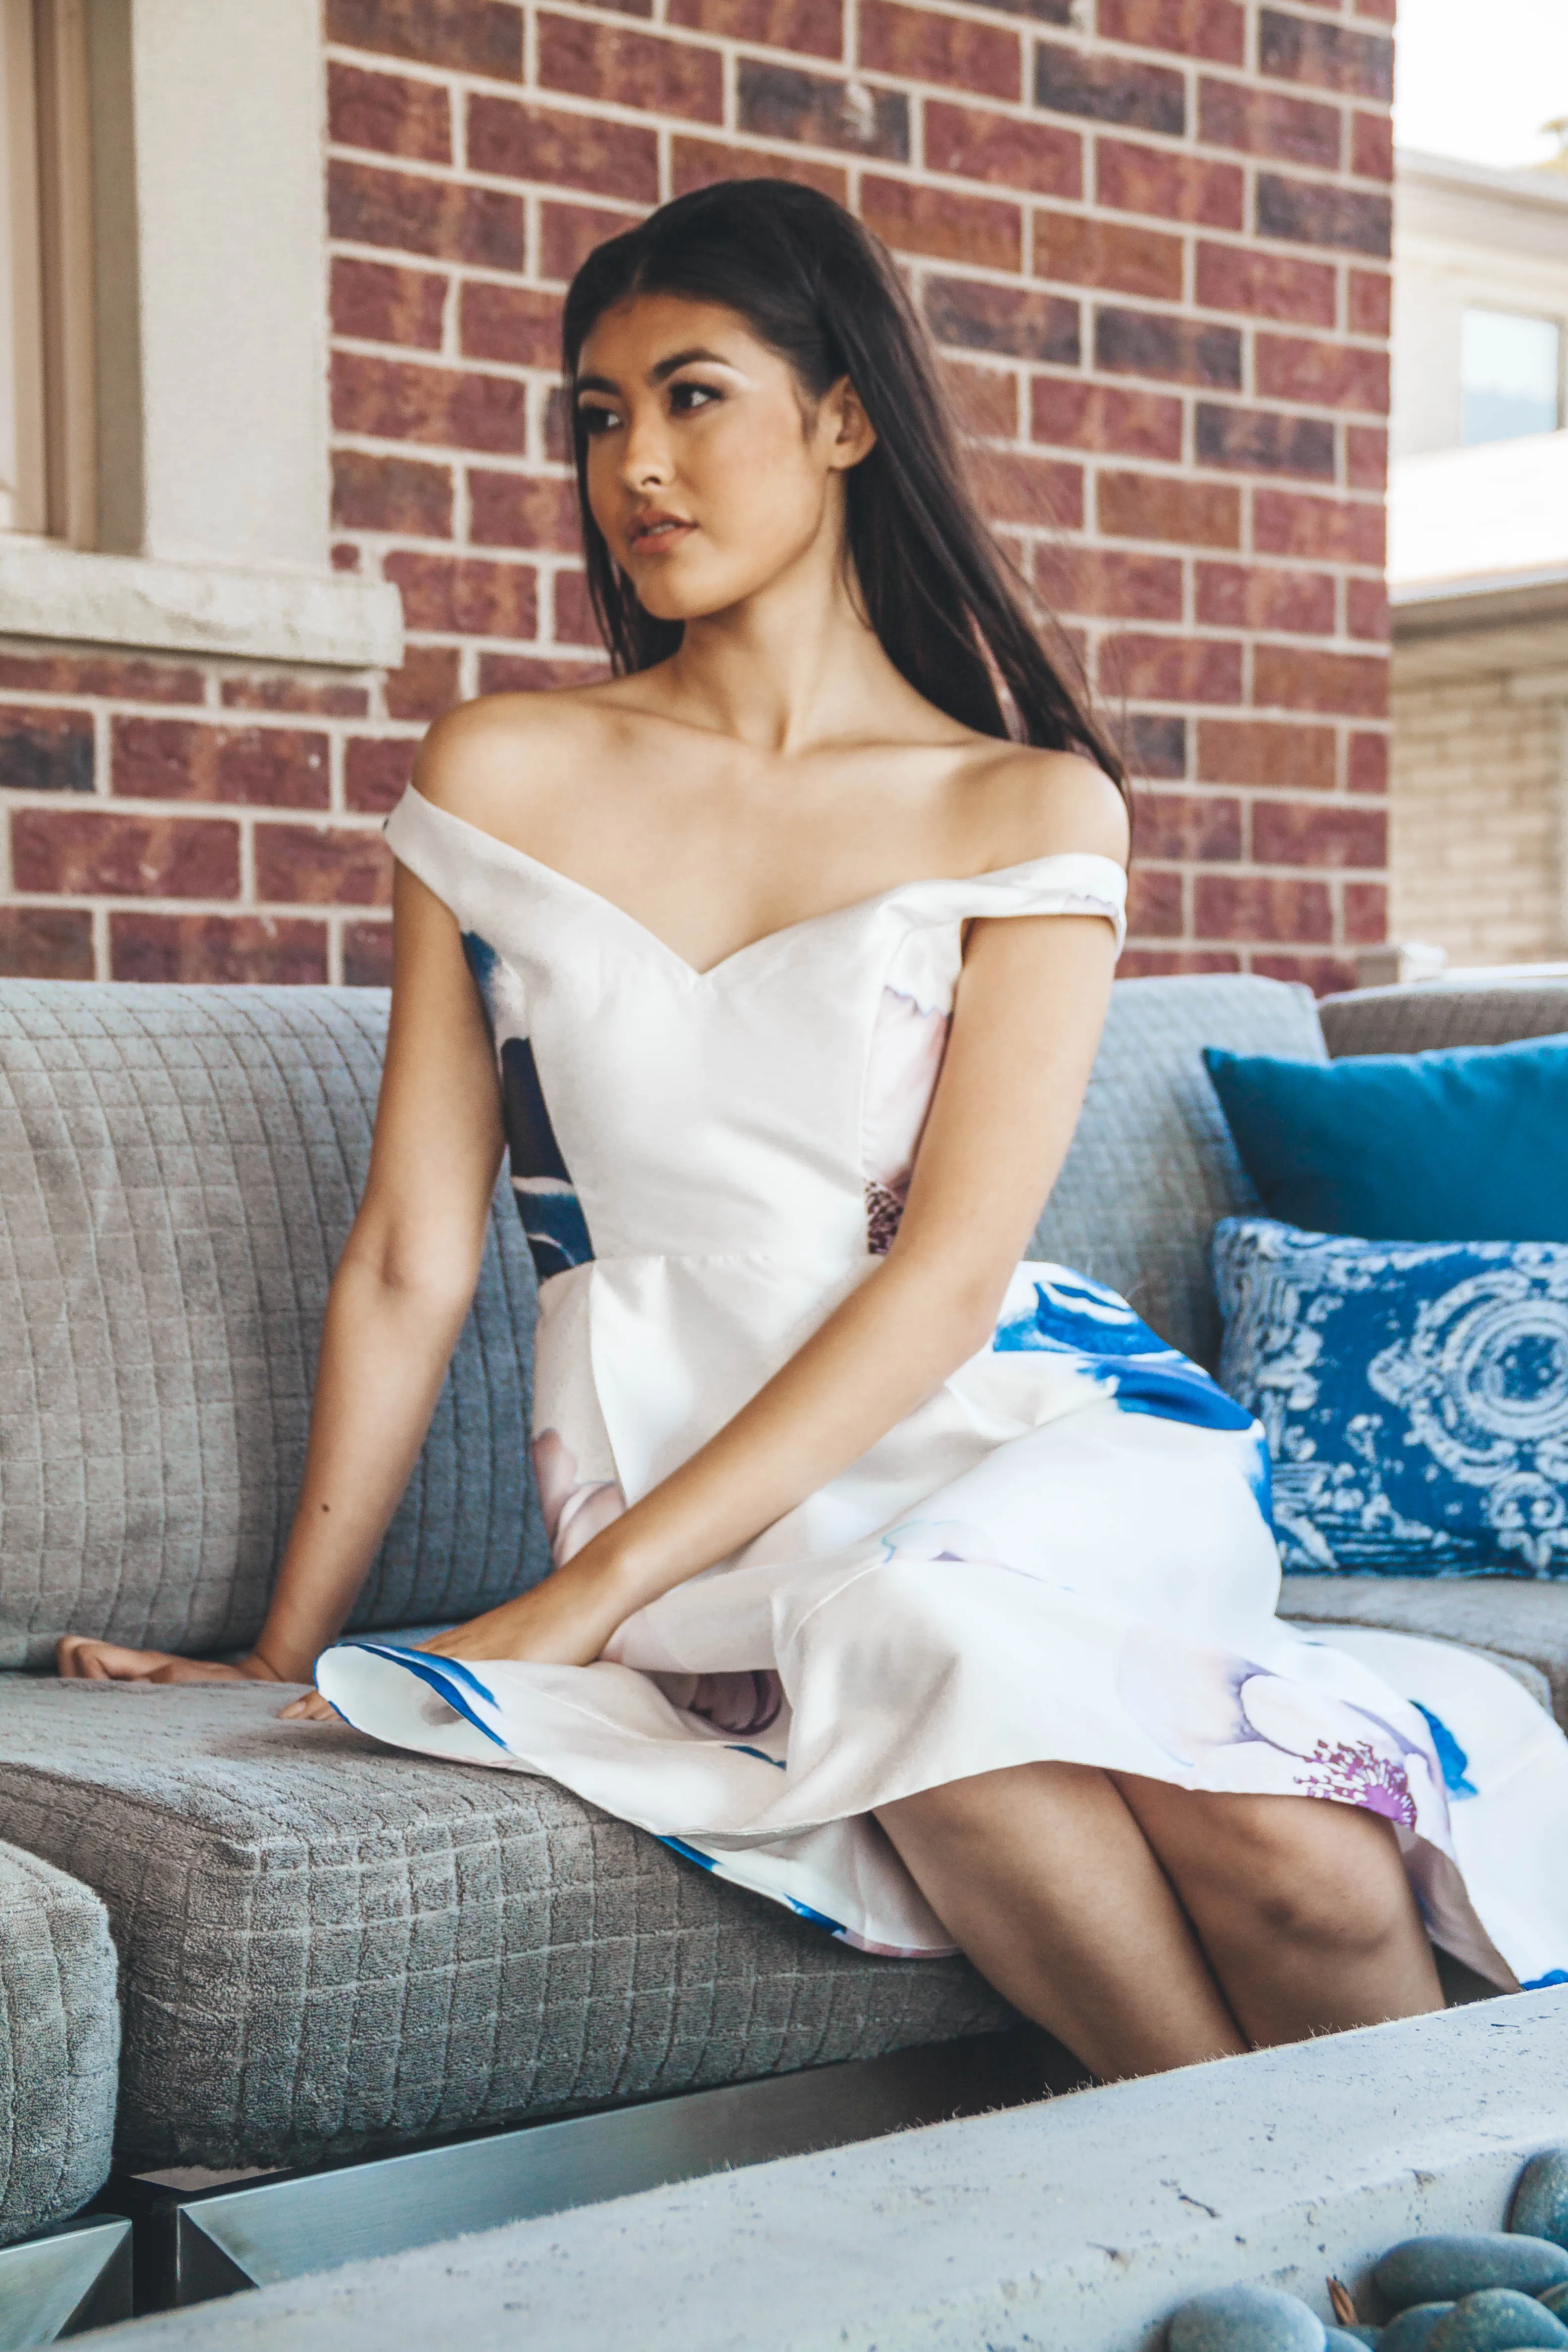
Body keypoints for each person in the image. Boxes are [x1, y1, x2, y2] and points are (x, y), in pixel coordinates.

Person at [57, 182, 1568, 2083]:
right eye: (599, 418)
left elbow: (945, 1282)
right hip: (696, 1465)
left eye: (695, 397)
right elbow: (410, 1252)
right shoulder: (501, 771)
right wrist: (293, 1645)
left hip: (1016, 1429)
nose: (638, 468)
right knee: (959, 1702)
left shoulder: (1026, 807)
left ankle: (1440, 2272)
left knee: (1279, 1852)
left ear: (845, 418)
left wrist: (580, 1602)